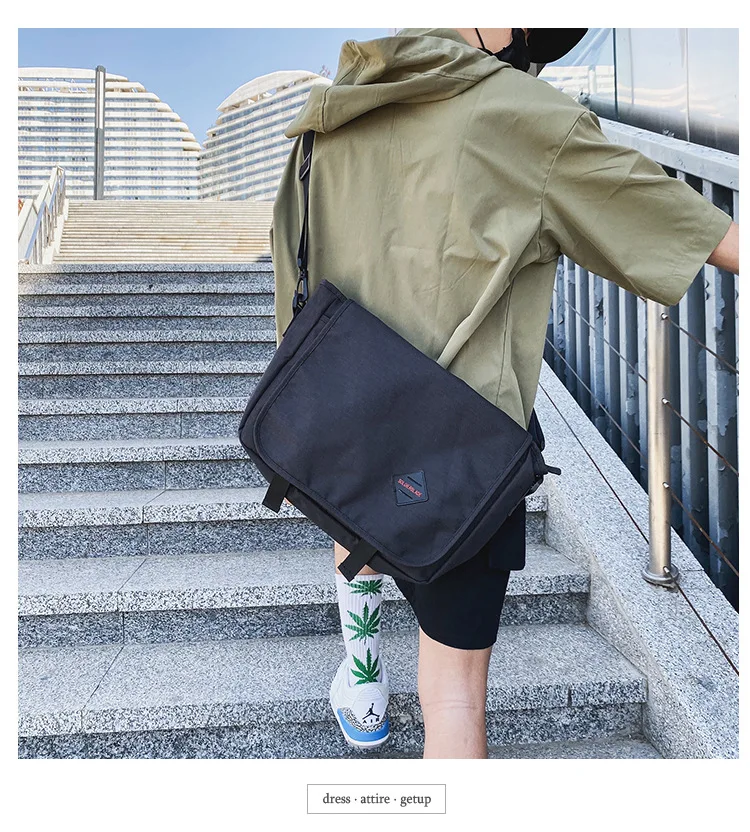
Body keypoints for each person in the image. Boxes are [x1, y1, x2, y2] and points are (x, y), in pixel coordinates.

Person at [269, 28, 740, 759]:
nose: (539, 56)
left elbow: (293, 267)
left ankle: (362, 675)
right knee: (454, 695)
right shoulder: (522, 114)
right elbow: (700, 233)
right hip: (459, 454)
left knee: (350, 499)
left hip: (339, 411)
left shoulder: (334, 108)